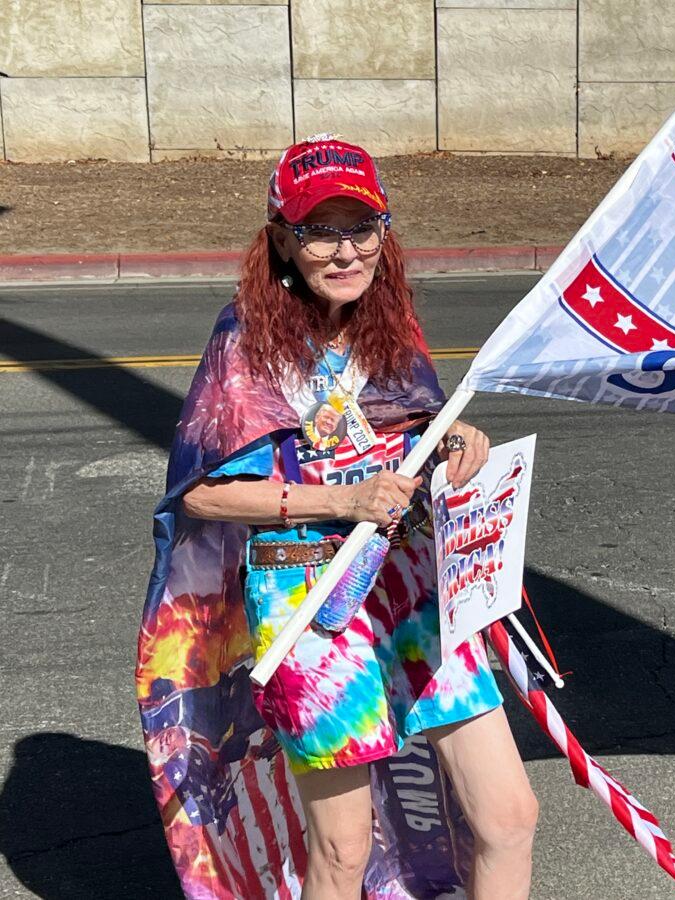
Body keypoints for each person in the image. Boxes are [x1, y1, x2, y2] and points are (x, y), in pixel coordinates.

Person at [137, 135, 538, 900]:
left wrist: (452, 440)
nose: (346, 250)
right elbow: (202, 494)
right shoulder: (246, 341)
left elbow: (410, 428)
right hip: (308, 607)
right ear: (283, 236)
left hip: (415, 592)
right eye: (322, 229)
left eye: (363, 226)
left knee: (509, 814)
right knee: (343, 850)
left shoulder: (388, 321)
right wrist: (341, 500)